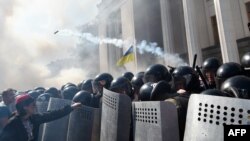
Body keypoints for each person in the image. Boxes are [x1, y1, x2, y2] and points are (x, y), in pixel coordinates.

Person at [0, 94, 81, 141]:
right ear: (25, 107)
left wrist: (71, 107)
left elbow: (52, 114)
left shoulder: (33, 118)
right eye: (33, 105)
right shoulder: (13, 123)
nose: (35, 107)